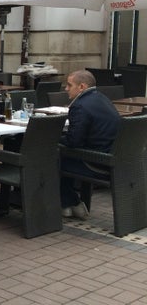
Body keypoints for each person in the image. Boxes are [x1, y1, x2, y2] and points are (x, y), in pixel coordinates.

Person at [59, 70, 120, 220]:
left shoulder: (79, 106)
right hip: (115, 159)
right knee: (63, 155)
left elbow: (74, 142)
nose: (66, 89)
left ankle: (70, 203)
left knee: (53, 157)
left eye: (69, 85)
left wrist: (54, 138)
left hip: (96, 163)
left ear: (82, 87)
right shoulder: (103, 98)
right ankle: (67, 206)